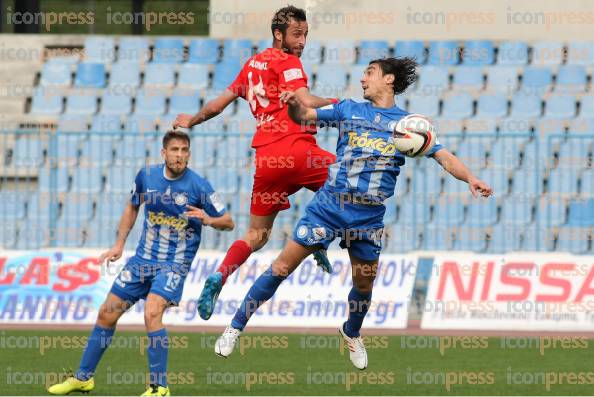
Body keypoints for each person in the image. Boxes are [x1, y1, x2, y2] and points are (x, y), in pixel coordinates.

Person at [212, 57, 493, 369]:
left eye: (369, 73)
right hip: (329, 207)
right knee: (280, 268)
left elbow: (442, 156)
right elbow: (305, 114)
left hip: (368, 218)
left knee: (363, 286)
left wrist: (471, 178)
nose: (362, 79)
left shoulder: (408, 126)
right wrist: (292, 105)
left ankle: (351, 332)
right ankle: (234, 327)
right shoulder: (348, 109)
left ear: (389, 79)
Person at [173, 5, 338, 321]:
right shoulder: (288, 62)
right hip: (299, 150)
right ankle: (317, 237)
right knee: (349, 185)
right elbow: (304, 101)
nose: (302, 42)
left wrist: (192, 120)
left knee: (257, 235)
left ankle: (219, 275)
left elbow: (217, 106)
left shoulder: (250, 66)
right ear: (278, 34)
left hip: (267, 160)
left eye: (305, 35)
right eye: (296, 34)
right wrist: (342, 105)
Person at [47, 130, 234, 396]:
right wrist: (119, 244)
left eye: (184, 150)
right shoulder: (147, 176)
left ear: (189, 154)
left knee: (152, 312)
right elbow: (132, 206)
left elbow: (228, 222)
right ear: (164, 153)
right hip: (141, 260)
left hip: (174, 263)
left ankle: (160, 387)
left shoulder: (199, 186)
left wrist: (208, 219)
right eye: (174, 150)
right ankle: (83, 378)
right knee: (106, 313)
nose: (179, 155)